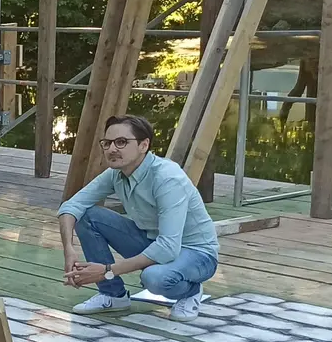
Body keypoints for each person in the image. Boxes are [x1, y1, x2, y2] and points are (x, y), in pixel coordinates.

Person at [58, 114, 219, 321]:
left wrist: (107, 270)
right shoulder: (116, 173)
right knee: (87, 216)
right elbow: (71, 206)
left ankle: (190, 292)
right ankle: (112, 295)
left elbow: (168, 246)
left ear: (144, 145)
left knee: (154, 278)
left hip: (197, 253)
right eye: (107, 143)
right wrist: (69, 250)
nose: (112, 149)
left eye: (122, 142)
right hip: (153, 241)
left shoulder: (167, 177)